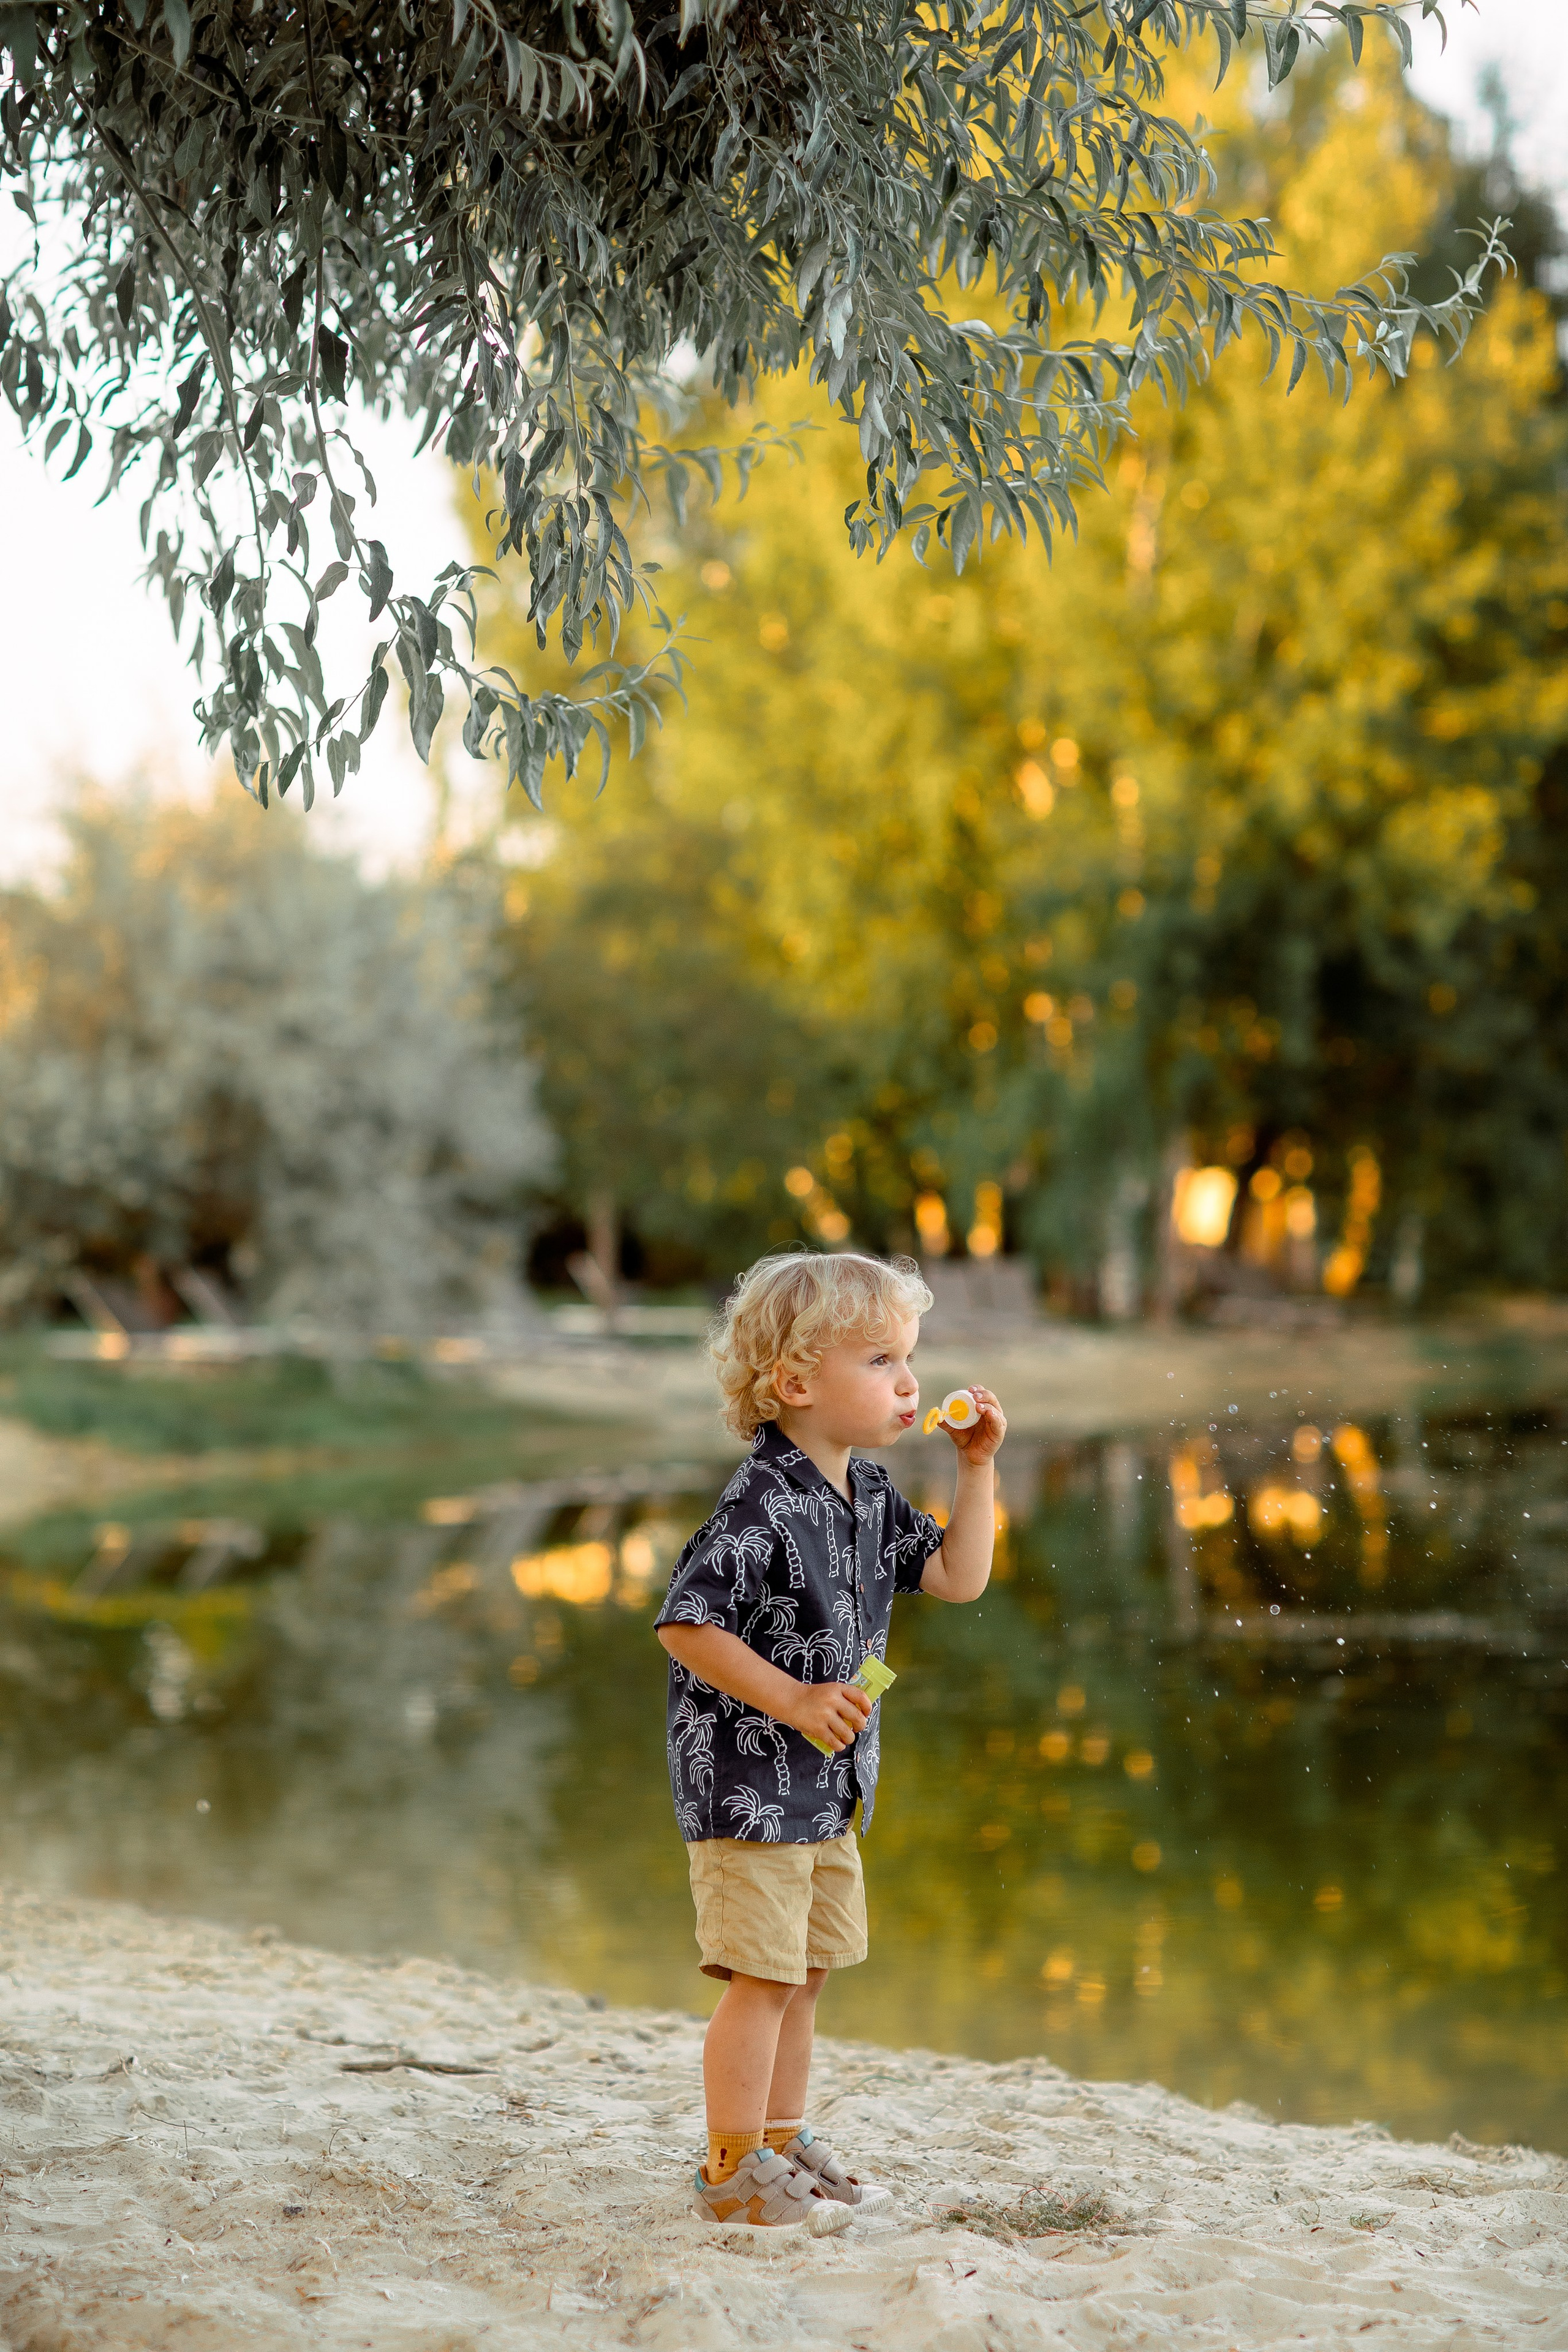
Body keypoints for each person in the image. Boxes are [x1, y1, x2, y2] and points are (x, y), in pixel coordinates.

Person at [654, 1250, 1006, 2234]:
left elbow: (956, 1579)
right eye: (882, 1360)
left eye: (911, 1359)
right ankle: (731, 2168)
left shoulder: (871, 1494)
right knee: (760, 1978)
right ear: (798, 1383)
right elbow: (688, 1625)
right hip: (748, 1788)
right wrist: (797, 1702)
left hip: (828, 1791)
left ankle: (780, 2137)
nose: (910, 1383)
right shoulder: (759, 1503)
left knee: (802, 1976)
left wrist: (977, 1472)